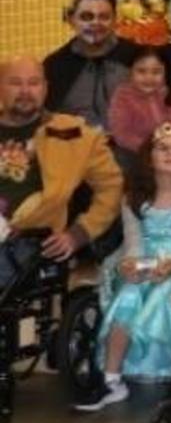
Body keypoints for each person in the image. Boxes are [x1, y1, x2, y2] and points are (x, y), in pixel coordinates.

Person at [78, 126, 171, 410]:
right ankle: (111, 380)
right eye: (162, 148)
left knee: (165, 289)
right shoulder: (133, 198)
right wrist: (130, 265)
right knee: (129, 290)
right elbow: (135, 243)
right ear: (149, 157)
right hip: (148, 259)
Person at [0, 54, 125, 291]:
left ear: (46, 88)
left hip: (29, 241)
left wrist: (80, 233)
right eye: (15, 83)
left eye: (34, 83)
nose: (25, 91)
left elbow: (112, 186)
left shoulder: (73, 132)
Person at [44, 0, 137, 130]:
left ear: (115, 21)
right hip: (74, 146)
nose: (95, 23)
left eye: (104, 17)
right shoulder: (55, 66)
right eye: (86, 17)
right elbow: (47, 117)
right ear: (71, 20)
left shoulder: (136, 57)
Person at [105, 46, 171, 157]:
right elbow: (122, 134)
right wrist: (153, 149)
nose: (149, 77)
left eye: (156, 72)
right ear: (131, 72)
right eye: (141, 71)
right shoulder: (122, 97)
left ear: (165, 72)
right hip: (139, 155)